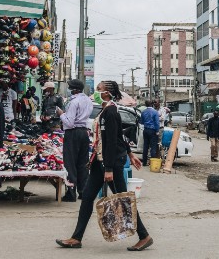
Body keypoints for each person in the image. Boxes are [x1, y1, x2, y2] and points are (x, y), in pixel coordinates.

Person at [56, 81, 153, 252]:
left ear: (107, 93)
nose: (95, 92)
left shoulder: (111, 111)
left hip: (110, 164)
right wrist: (130, 153)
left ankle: (144, 236)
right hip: (99, 162)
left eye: (99, 89)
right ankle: (76, 237)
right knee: (86, 197)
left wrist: (108, 169)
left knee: (123, 200)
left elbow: (111, 141)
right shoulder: (106, 110)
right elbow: (118, 135)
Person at [57, 79, 92, 202]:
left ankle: (71, 194)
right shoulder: (88, 100)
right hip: (84, 132)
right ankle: (83, 192)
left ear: (74, 89)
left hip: (73, 133)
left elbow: (70, 123)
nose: (69, 90)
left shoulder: (73, 102)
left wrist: (61, 114)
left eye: (70, 87)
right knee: (83, 163)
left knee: (70, 163)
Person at [140, 100, 160, 166]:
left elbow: (141, 122)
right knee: (153, 147)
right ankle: (152, 163)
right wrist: (157, 131)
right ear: (152, 105)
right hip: (153, 130)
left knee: (145, 146)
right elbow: (157, 123)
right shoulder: (155, 112)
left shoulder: (143, 112)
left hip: (145, 130)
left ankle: (144, 162)